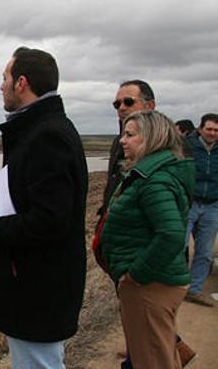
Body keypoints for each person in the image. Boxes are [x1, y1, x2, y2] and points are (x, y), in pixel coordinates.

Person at [0, 47, 88, 368]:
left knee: (39, 363)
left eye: (4, 78)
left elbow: (51, 219)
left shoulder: (47, 135)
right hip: (38, 282)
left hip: (38, 286)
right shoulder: (41, 129)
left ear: (22, 82)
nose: (1, 86)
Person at [95, 80, 196, 367]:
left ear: (151, 138)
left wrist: (136, 276)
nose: (123, 141)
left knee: (153, 359)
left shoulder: (155, 180)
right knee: (154, 352)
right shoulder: (149, 172)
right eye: (117, 104)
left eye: (131, 135)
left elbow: (171, 235)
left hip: (149, 283)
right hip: (147, 277)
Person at [98, 80, 155, 217]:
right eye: (117, 104)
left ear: (150, 105)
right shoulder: (118, 142)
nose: (121, 108)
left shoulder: (163, 144)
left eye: (128, 102)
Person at [183, 113, 218, 307]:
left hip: (213, 205)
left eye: (216, 130)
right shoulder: (186, 146)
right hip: (189, 203)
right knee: (177, 246)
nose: (212, 133)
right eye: (209, 129)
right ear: (200, 128)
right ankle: (173, 287)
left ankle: (194, 290)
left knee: (204, 252)